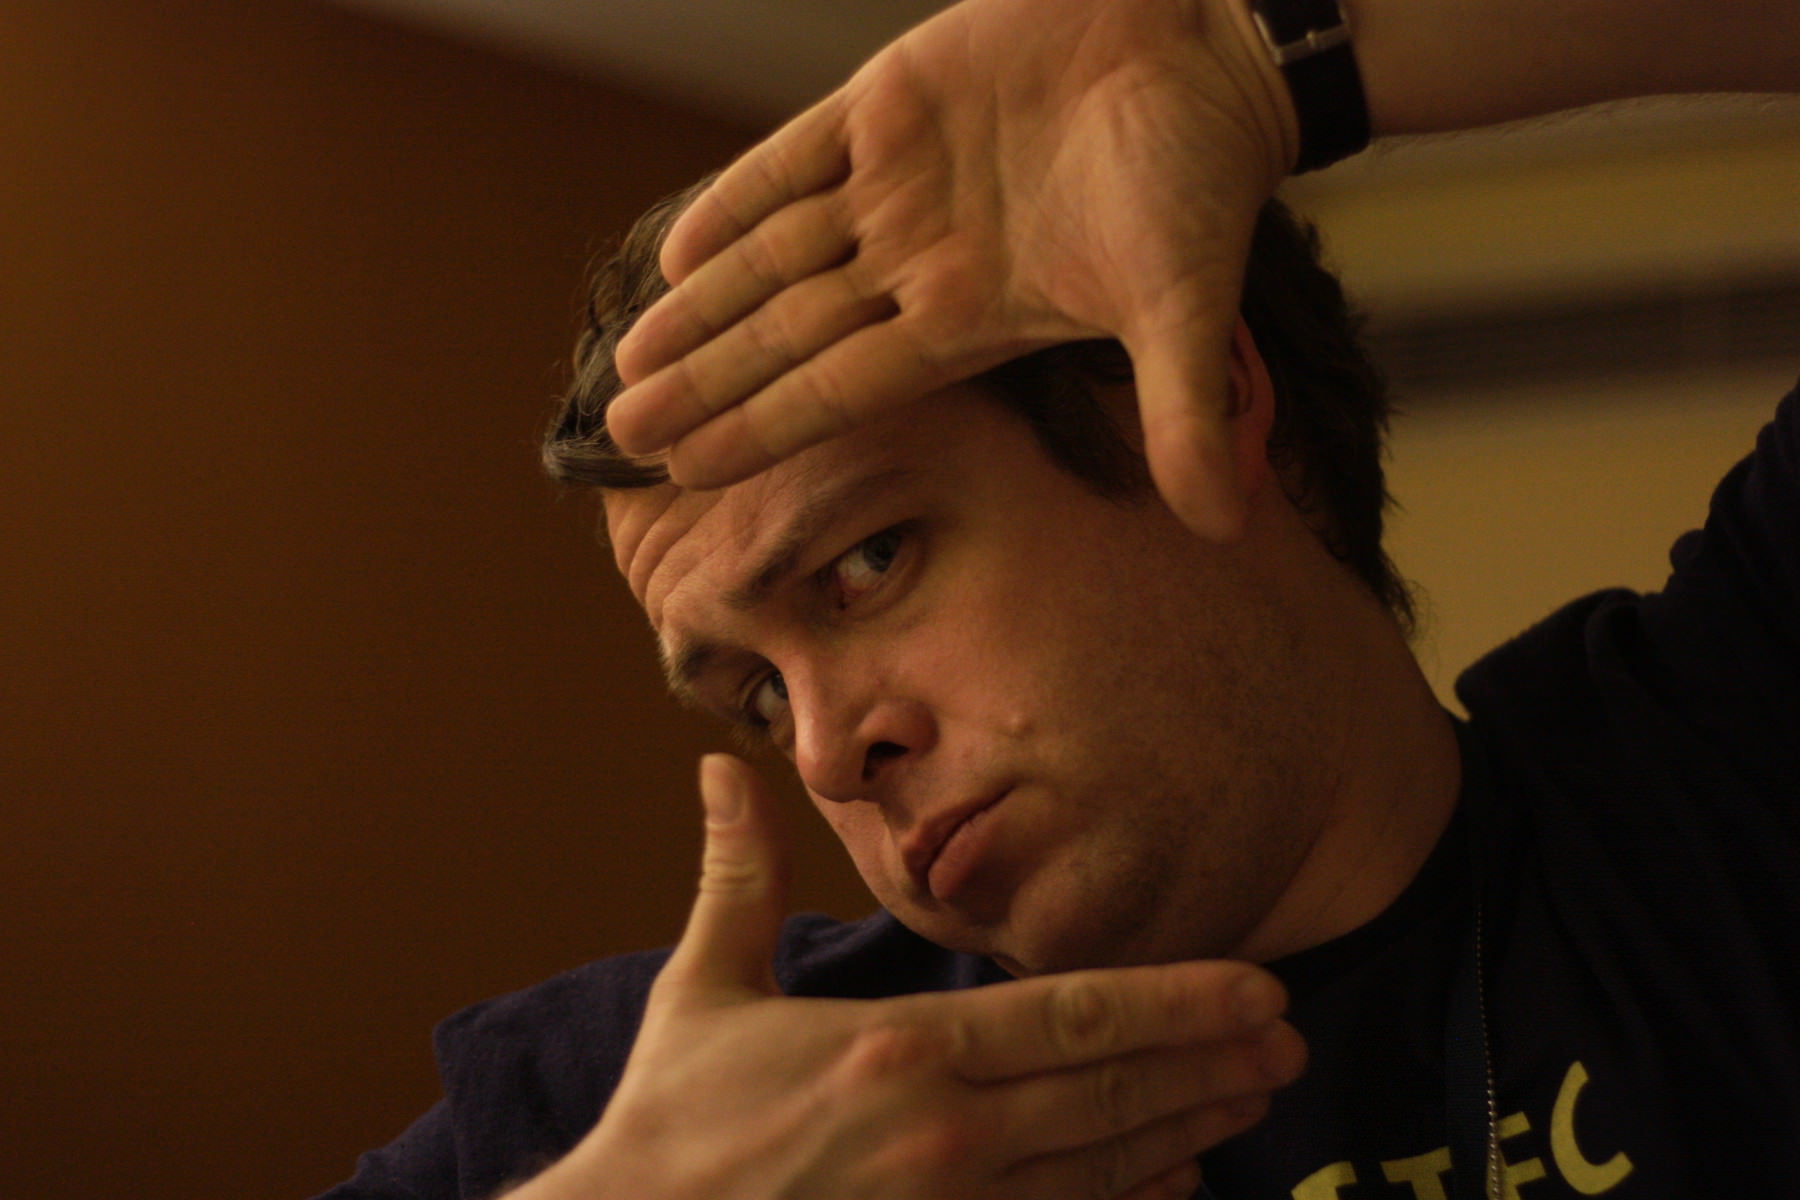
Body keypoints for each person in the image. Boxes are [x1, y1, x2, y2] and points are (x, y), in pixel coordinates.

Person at [317, 0, 1800, 1196]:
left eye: (867, 563)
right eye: (758, 694)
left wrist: (1248, 56)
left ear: (1199, 398)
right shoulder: (709, 1107)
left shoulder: (1723, 773)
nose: (827, 753)